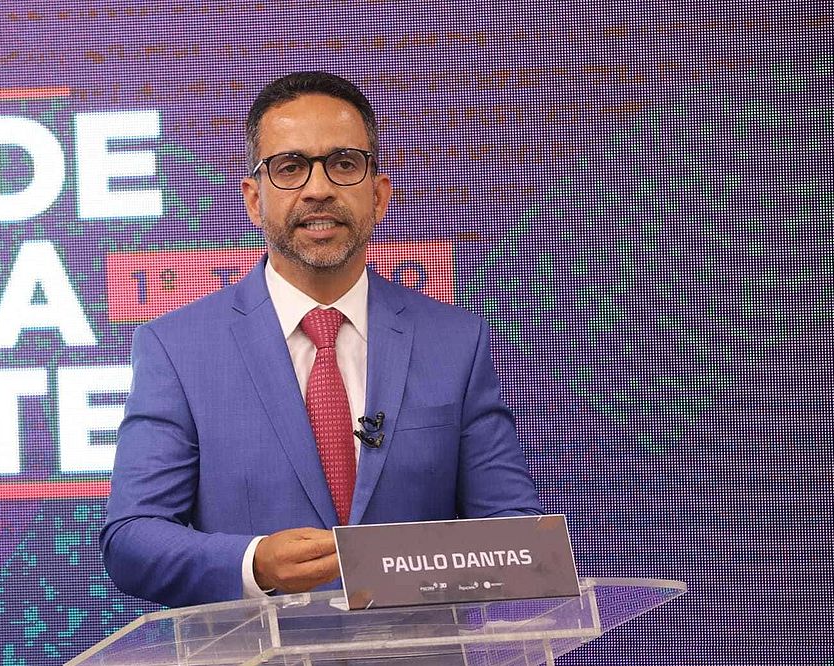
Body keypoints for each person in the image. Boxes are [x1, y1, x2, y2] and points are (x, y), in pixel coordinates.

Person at [100, 71, 542, 608]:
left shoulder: (455, 342)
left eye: (344, 163)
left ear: (378, 195)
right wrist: (254, 562)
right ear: (254, 200)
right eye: (290, 167)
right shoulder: (177, 349)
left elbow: (515, 537)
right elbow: (133, 540)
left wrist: (403, 568)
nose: (318, 189)